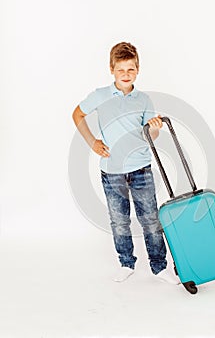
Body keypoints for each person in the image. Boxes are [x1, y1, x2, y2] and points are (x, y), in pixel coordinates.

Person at [72, 42, 179, 285]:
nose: (126, 75)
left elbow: (149, 137)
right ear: (112, 69)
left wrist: (154, 129)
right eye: (121, 70)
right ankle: (126, 262)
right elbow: (77, 114)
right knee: (119, 219)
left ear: (137, 70)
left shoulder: (143, 100)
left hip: (141, 167)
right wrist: (92, 142)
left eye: (131, 70)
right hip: (112, 171)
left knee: (150, 218)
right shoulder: (100, 96)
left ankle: (159, 266)